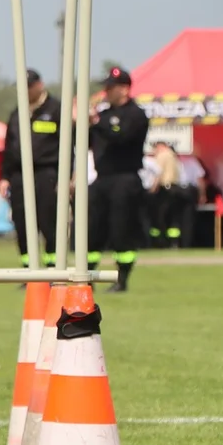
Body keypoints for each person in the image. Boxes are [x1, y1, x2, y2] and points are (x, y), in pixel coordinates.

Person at [87, 66, 149, 292]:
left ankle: (121, 279)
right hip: (102, 178)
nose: (106, 91)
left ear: (124, 89)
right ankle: (87, 276)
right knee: (92, 229)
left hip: (125, 179)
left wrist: (97, 123)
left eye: (111, 88)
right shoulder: (102, 115)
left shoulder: (136, 115)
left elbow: (120, 137)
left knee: (122, 230)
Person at [0, 69, 66, 269]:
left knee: (50, 223)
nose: (25, 91)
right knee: (23, 224)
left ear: (39, 85)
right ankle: (29, 273)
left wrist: (67, 176)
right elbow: (8, 148)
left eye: (28, 87)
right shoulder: (17, 113)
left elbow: (67, 146)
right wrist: (4, 177)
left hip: (47, 174)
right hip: (19, 175)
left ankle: (54, 271)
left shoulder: (55, 110)